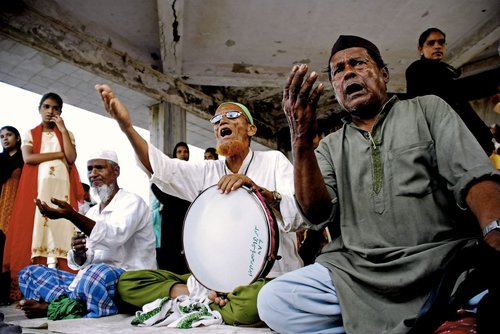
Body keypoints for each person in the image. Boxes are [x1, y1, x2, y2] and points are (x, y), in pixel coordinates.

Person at [256, 35, 500, 334]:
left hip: (441, 265)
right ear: (335, 87)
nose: (347, 72)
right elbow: (317, 213)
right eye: (338, 71)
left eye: (358, 63)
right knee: (275, 301)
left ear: (384, 74)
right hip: (357, 274)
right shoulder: (330, 146)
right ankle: (436, 322)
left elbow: (475, 177)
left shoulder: (427, 110)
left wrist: (493, 233)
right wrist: (300, 140)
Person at [95, 84, 305, 325]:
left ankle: (219, 299)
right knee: (128, 284)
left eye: (232, 116)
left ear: (251, 128)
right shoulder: (208, 171)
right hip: (212, 280)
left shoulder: (274, 161)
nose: (221, 121)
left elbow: (298, 214)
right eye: (216, 120)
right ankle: (202, 295)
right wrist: (127, 128)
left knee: (255, 301)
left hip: (269, 276)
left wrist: (260, 191)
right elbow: (163, 169)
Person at [17, 149, 157, 319]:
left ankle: (55, 307)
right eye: (89, 169)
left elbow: (115, 237)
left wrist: (72, 215)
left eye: (99, 168)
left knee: (95, 275)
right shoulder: (91, 212)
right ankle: (70, 304)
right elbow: (83, 262)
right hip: (90, 281)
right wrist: (79, 253)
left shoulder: (132, 202)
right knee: (29, 273)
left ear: (116, 172)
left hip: (126, 279)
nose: (93, 174)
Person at [2, 93, 85, 302]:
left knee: (63, 231)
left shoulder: (67, 133)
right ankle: (36, 285)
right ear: (39, 109)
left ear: (60, 112)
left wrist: (63, 129)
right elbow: (29, 158)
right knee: (38, 232)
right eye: (46, 107)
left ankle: (65, 281)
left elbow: (72, 157)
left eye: (56, 108)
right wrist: (59, 155)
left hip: (62, 188)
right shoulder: (30, 133)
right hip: (38, 189)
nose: (50, 111)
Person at [405, 27, 494, 155]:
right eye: (431, 43)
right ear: (420, 49)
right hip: (446, 136)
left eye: (441, 42)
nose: (437, 46)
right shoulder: (417, 69)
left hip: (462, 135)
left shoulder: (444, 70)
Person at [151, 141, 191, 273]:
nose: (182, 155)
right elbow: (155, 186)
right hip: (170, 222)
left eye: (185, 152)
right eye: (179, 152)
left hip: (187, 221)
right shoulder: (168, 174)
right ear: (175, 155)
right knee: (168, 263)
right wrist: (173, 201)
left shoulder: (193, 174)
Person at [0, 126, 24, 304]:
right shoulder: (0, 160)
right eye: (2, 136)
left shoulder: (24, 160)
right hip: (0, 209)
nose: (5, 139)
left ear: (17, 137)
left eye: (8, 135)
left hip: (17, 208)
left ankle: (12, 293)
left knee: (14, 248)